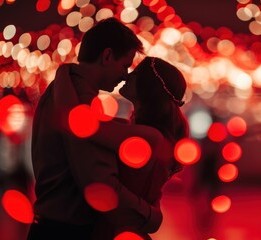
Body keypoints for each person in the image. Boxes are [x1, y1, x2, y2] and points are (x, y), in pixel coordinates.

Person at [28, 18, 162, 240]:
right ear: (107, 56)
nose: (126, 75)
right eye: (124, 65)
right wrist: (150, 217)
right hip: (67, 231)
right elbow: (97, 181)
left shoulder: (61, 88)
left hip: (50, 225)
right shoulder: (80, 102)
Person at [54, 56, 189, 239]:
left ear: (148, 87)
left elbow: (77, 123)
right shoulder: (143, 132)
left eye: (135, 74)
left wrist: (63, 73)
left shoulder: (150, 137)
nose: (127, 77)